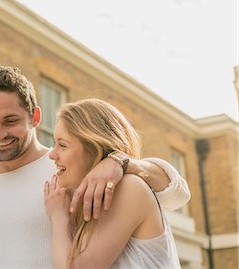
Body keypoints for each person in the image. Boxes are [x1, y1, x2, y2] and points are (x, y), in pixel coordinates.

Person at [0, 66, 190, 268]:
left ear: (35, 117)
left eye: (10, 121)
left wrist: (120, 161)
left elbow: (177, 196)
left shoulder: (72, 170)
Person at [45, 98, 180, 269]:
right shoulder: (91, 198)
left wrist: (58, 217)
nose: (52, 154)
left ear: (94, 148)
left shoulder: (129, 187)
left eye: (62, 145)